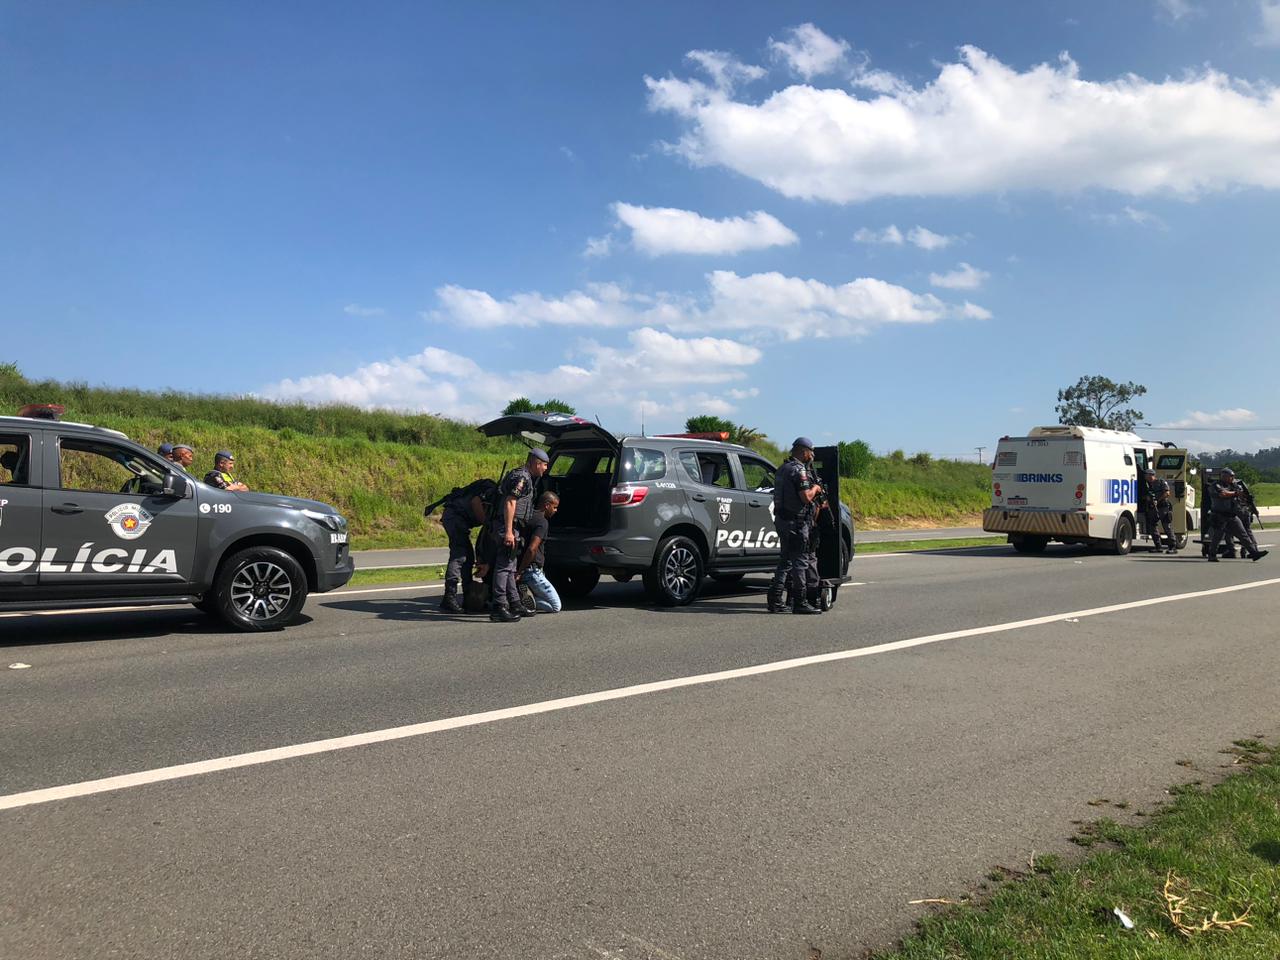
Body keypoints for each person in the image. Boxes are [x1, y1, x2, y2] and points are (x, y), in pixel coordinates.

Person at [489, 448, 550, 622]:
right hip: (507, 525)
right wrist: (508, 531)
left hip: (513, 526)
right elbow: (510, 502)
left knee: (511, 566)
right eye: (544, 465)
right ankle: (499, 606)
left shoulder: (526, 477)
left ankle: (515, 603)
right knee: (504, 566)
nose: (546, 468)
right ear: (536, 463)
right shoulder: (522, 477)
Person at [767, 437, 823, 615]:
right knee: (800, 561)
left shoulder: (782, 468)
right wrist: (816, 489)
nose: (812, 456)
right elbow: (805, 497)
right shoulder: (799, 470)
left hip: (782, 520)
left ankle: (775, 600)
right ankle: (800, 601)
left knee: (785, 560)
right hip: (796, 523)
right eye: (811, 452)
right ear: (804, 451)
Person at [438, 477, 498, 614]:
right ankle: (449, 597)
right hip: (455, 517)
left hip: (457, 517)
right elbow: (475, 502)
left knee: (468, 557)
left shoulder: (492, 491)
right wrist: (486, 523)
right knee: (459, 556)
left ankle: (468, 597)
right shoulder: (491, 490)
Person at [1205, 468, 1268, 562]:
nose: (1232, 478)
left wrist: (1246, 498)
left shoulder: (1234, 485)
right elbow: (1223, 494)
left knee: (1243, 534)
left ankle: (1253, 552)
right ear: (1224, 476)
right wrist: (1236, 493)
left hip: (1232, 515)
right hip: (1219, 515)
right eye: (1230, 476)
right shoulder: (1216, 485)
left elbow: (1241, 497)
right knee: (1218, 536)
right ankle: (1212, 555)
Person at [519, 491, 563, 613]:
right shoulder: (542, 522)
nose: (555, 510)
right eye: (554, 507)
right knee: (555, 606)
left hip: (526, 568)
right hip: (532, 571)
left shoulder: (528, 516)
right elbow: (532, 549)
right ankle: (519, 599)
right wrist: (521, 571)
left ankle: (522, 594)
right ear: (547, 505)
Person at [1142, 469, 1176, 554]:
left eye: (1146, 475)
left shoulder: (1161, 482)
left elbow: (1167, 493)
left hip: (1163, 507)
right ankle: (1158, 546)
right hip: (1153, 508)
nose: (1145, 476)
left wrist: (1158, 500)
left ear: (1151, 475)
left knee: (1167, 526)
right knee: (1153, 527)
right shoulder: (1147, 484)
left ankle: (1172, 546)